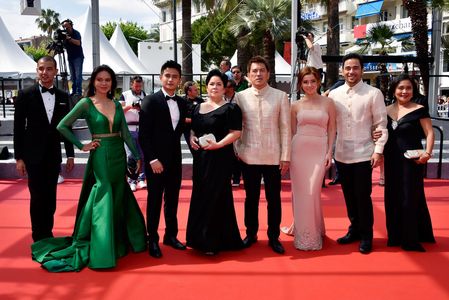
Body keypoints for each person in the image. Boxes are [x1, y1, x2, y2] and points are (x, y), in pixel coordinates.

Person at [31, 65, 147, 272]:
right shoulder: (86, 103)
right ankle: (102, 247)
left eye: (108, 80)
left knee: (119, 193)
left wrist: (137, 155)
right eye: (100, 79)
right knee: (104, 193)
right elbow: (62, 126)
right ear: (93, 81)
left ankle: (117, 242)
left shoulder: (117, 105)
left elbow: (126, 134)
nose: (104, 83)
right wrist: (81, 145)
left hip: (118, 154)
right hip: (100, 154)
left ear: (113, 84)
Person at [328, 53, 388, 254]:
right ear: (342, 70)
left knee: (363, 196)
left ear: (362, 70)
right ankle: (353, 229)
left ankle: (367, 236)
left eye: (355, 68)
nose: (351, 71)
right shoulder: (334, 95)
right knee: (349, 196)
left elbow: (381, 124)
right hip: (342, 154)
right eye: (347, 68)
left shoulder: (373, 93)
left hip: (364, 154)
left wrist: (378, 150)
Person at [13, 55, 75, 242]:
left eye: (49, 69)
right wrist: (19, 158)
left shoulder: (64, 97)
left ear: (56, 71)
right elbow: (18, 127)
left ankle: (47, 232)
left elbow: (67, 127)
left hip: (53, 155)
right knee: (37, 196)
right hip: (32, 156)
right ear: (36, 71)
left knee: (51, 197)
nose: (44, 72)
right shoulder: (25, 94)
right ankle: (38, 236)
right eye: (41, 69)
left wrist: (70, 154)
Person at [234, 56, 291, 254]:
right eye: (254, 71)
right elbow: (236, 127)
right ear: (248, 75)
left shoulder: (280, 96)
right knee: (251, 198)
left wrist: (285, 156)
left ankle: (274, 237)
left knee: (274, 199)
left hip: (274, 156)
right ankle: (251, 234)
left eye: (262, 70)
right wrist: (237, 150)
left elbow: (285, 128)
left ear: (268, 73)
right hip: (248, 156)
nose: (258, 74)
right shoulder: (240, 97)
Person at [186, 69, 244, 255]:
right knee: (200, 194)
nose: (215, 87)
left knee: (217, 196)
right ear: (207, 86)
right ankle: (198, 239)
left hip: (220, 158)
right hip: (201, 158)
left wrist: (218, 145)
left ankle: (215, 241)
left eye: (219, 84)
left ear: (224, 87)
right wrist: (192, 138)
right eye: (212, 84)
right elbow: (194, 129)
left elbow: (236, 132)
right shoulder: (197, 107)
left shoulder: (231, 108)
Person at [139, 60, 188, 258]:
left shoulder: (183, 103)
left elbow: (183, 131)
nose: (170, 79)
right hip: (156, 162)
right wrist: (152, 160)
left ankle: (171, 235)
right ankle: (152, 239)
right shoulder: (150, 101)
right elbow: (144, 135)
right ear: (161, 78)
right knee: (154, 200)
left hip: (175, 159)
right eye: (167, 76)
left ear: (179, 80)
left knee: (173, 199)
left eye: (174, 76)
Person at [383, 74, 435, 252]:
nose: (404, 91)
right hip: (391, 160)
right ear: (394, 90)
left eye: (408, 88)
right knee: (392, 196)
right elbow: (380, 131)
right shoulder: (386, 110)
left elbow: (429, 133)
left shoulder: (419, 109)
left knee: (410, 197)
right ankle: (395, 236)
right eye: (400, 88)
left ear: (413, 91)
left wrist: (427, 153)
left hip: (411, 161)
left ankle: (411, 238)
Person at [287, 67, 336, 250]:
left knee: (312, 192)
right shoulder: (295, 105)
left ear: (318, 82)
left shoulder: (328, 103)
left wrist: (329, 151)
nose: (309, 85)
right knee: (302, 194)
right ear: (300, 84)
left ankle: (314, 230)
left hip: (319, 150)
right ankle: (305, 233)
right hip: (299, 150)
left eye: (312, 81)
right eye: (305, 82)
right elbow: (292, 132)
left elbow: (332, 129)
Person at [120, 75, 147, 192]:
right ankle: (132, 180)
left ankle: (141, 178)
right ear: (131, 84)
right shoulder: (125, 95)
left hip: (141, 128)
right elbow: (119, 110)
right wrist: (131, 106)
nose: (138, 87)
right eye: (136, 85)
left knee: (142, 155)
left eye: (140, 85)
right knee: (130, 156)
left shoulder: (144, 95)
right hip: (128, 129)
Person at [224, 79, 242, 186]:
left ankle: (236, 178)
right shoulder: (221, 97)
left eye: (226, 87)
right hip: (224, 131)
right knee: (227, 156)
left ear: (231, 88)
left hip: (237, 130)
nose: (223, 89)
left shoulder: (239, 98)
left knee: (236, 156)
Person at [62, 19, 84, 96]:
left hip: (78, 57)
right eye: (64, 27)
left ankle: (79, 92)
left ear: (71, 26)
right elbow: (64, 46)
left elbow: (78, 43)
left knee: (78, 75)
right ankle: (73, 91)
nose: (65, 29)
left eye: (67, 27)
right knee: (72, 76)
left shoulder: (76, 33)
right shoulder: (64, 35)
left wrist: (69, 39)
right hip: (70, 58)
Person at [183, 81, 204, 155]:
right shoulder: (182, 102)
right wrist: (194, 120)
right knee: (195, 151)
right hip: (188, 130)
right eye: (195, 90)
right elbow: (181, 118)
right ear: (188, 92)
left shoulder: (200, 100)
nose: (197, 91)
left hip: (200, 129)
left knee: (202, 151)